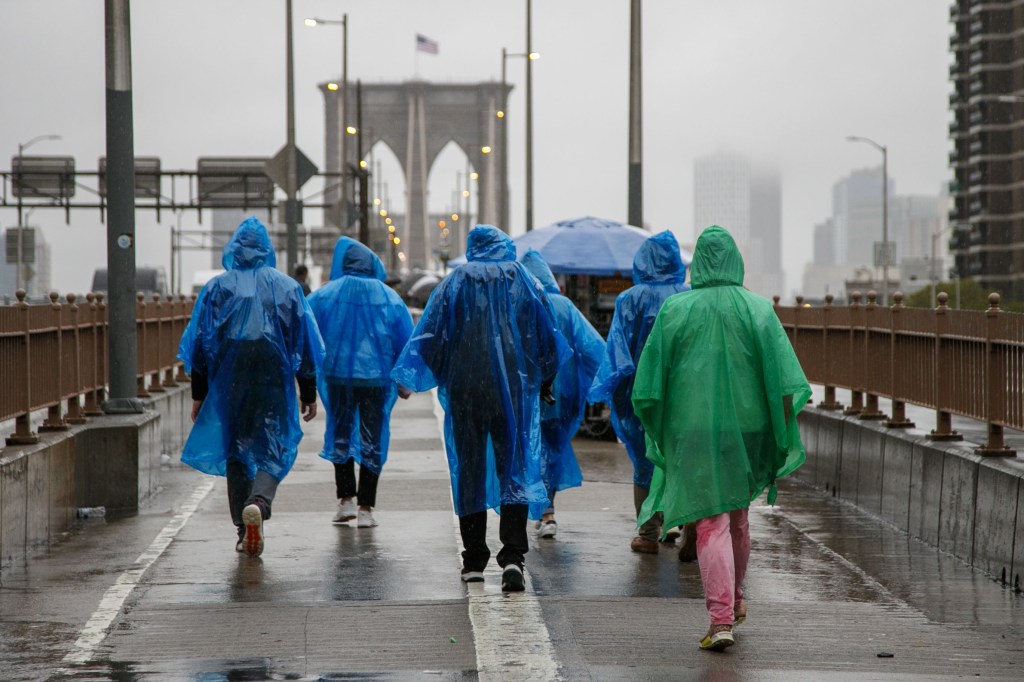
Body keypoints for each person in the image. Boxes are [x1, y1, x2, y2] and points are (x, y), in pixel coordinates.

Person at [632, 225, 811, 651]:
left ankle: (721, 618)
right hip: (748, 430)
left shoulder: (676, 310)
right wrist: (779, 430)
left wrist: (661, 426)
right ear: (735, 260)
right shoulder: (759, 310)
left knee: (709, 522)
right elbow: (785, 378)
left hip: (693, 428)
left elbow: (650, 382)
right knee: (737, 517)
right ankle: (736, 599)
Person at [391, 225, 570, 592]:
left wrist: (421, 376)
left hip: (466, 393)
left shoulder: (454, 283)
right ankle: (513, 557)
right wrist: (545, 382)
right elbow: (548, 338)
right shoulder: (523, 280)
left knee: (469, 470)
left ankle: (473, 559)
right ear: (504, 246)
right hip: (515, 396)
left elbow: (429, 335)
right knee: (514, 470)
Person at [178, 216, 324, 558]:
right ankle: (259, 500)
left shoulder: (217, 288)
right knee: (275, 443)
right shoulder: (287, 288)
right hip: (273, 381)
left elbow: (199, 344)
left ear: (234, 249)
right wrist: (309, 391)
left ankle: (244, 529)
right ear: (267, 250)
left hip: (230, 384)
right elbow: (304, 346)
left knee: (236, 450)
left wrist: (199, 394)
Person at [587, 230, 690, 555]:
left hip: (641, 395)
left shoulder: (630, 299)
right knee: (681, 460)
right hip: (682, 395)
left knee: (645, 461)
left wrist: (612, 391)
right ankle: (684, 525)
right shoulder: (687, 297)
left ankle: (648, 532)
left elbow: (617, 351)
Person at [307, 237, 414, 529]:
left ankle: (345, 501)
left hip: (340, 377)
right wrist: (404, 382)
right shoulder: (388, 296)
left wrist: (304, 375)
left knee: (340, 433)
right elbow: (405, 339)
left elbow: (305, 330)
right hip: (375, 380)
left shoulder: (325, 295)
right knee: (373, 438)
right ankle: (367, 507)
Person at [519, 249, 605, 538]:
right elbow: (593, 348)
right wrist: (600, 386)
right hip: (560, 395)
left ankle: (536, 510)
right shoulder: (565, 306)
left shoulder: (518, 303)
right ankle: (548, 511)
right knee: (552, 452)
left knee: (527, 451)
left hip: (525, 394)